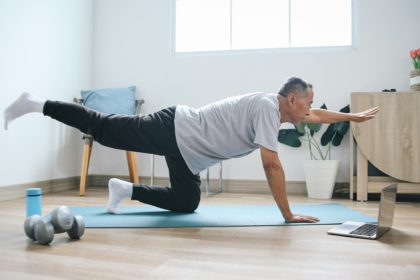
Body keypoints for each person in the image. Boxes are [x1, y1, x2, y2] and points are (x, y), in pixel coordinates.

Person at [3, 77, 379, 223]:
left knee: (186, 201)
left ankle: (125, 189)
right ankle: (35, 104)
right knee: (104, 129)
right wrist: (288, 214)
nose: (308, 111)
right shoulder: (268, 108)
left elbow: (317, 114)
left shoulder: (279, 108)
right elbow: (271, 165)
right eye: (306, 104)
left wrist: (355, 118)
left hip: (188, 150)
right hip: (175, 129)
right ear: (291, 98)